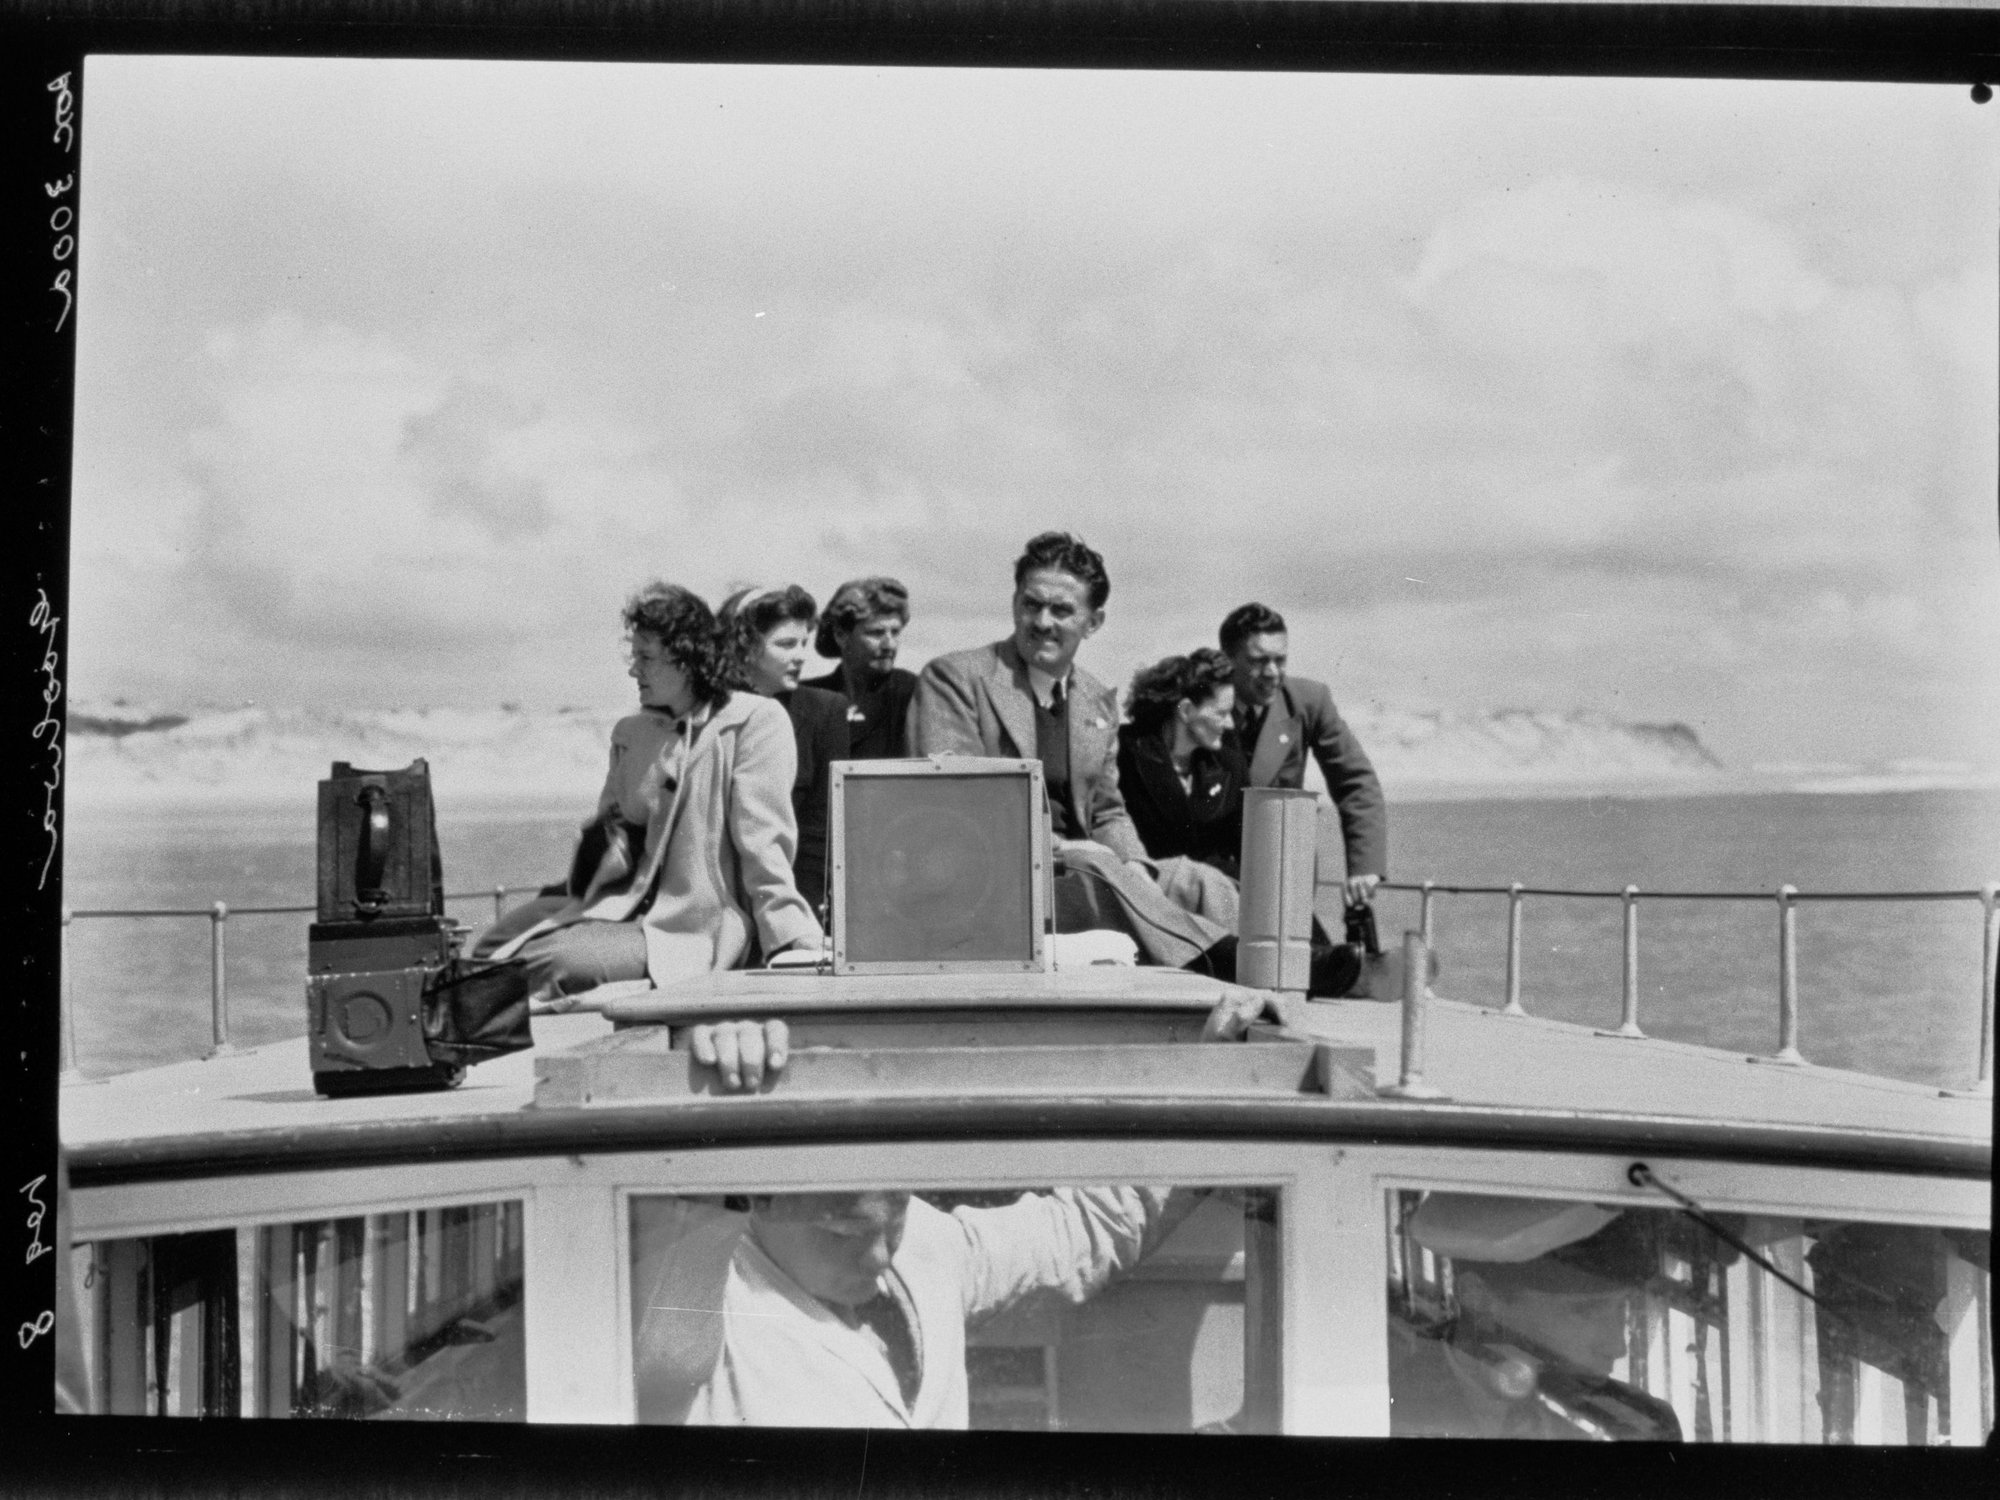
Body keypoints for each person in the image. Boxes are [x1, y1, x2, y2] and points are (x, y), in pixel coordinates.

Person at [631, 994, 1270, 1427]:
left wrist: (1210, 1079)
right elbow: (666, 1348)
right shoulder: (704, 1294)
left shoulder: (928, 1249)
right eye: (849, 1231)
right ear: (757, 1201)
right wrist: (716, 1085)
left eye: (897, 1216)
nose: (883, 1257)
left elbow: (1082, 1231)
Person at [474, 582, 822, 1007]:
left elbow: (764, 847)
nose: (633, 670)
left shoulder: (755, 722)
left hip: (697, 926)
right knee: (495, 941)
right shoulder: (631, 734)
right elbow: (612, 839)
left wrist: (791, 940)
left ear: (687, 658)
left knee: (549, 960)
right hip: (625, 906)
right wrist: (601, 849)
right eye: (633, 656)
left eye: (646, 658)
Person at [910, 531, 1236, 969]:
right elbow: (959, 802)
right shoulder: (955, 679)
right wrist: (1069, 851)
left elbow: (1106, 811)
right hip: (999, 878)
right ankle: (1214, 957)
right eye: (1031, 604)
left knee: (1197, 880)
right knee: (1093, 866)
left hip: (1081, 874)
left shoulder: (1096, 700)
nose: (1042, 621)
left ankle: (1259, 982)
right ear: (1014, 603)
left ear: (1093, 622)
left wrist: (1134, 864)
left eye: (1061, 610)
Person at [1389, 1193, 1682, 1440]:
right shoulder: (1377, 1403)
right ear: (1478, 1297)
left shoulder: (1642, 1427)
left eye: (1624, 1309)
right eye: (1586, 1310)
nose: (1618, 1346)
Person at [1218, 603, 1387, 907]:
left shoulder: (1309, 701)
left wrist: (1364, 869)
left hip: (1282, 870)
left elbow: (1355, 781)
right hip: (1213, 874)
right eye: (1258, 661)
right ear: (1228, 660)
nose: (1272, 673)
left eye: (1280, 660)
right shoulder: (1201, 700)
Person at [719, 584, 851, 918]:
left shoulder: (825, 712)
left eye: (804, 642)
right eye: (786, 644)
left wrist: (793, 922)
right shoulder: (709, 714)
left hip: (789, 903)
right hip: (712, 901)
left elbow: (822, 834)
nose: (801, 656)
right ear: (744, 647)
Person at [1116, 648, 1248, 881]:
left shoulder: (1230, 766)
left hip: (1213, 895)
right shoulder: (1122, 754)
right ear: (1186, 710)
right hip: (1147, 891)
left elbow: (1246, 851)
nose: (1229, 724)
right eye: (1221, 713)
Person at [803, 576, 919, 760]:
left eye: (895, 632)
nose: (889, 644)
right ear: (841, 636)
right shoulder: (807, 699)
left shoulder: (911, 694)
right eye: (876, 633)